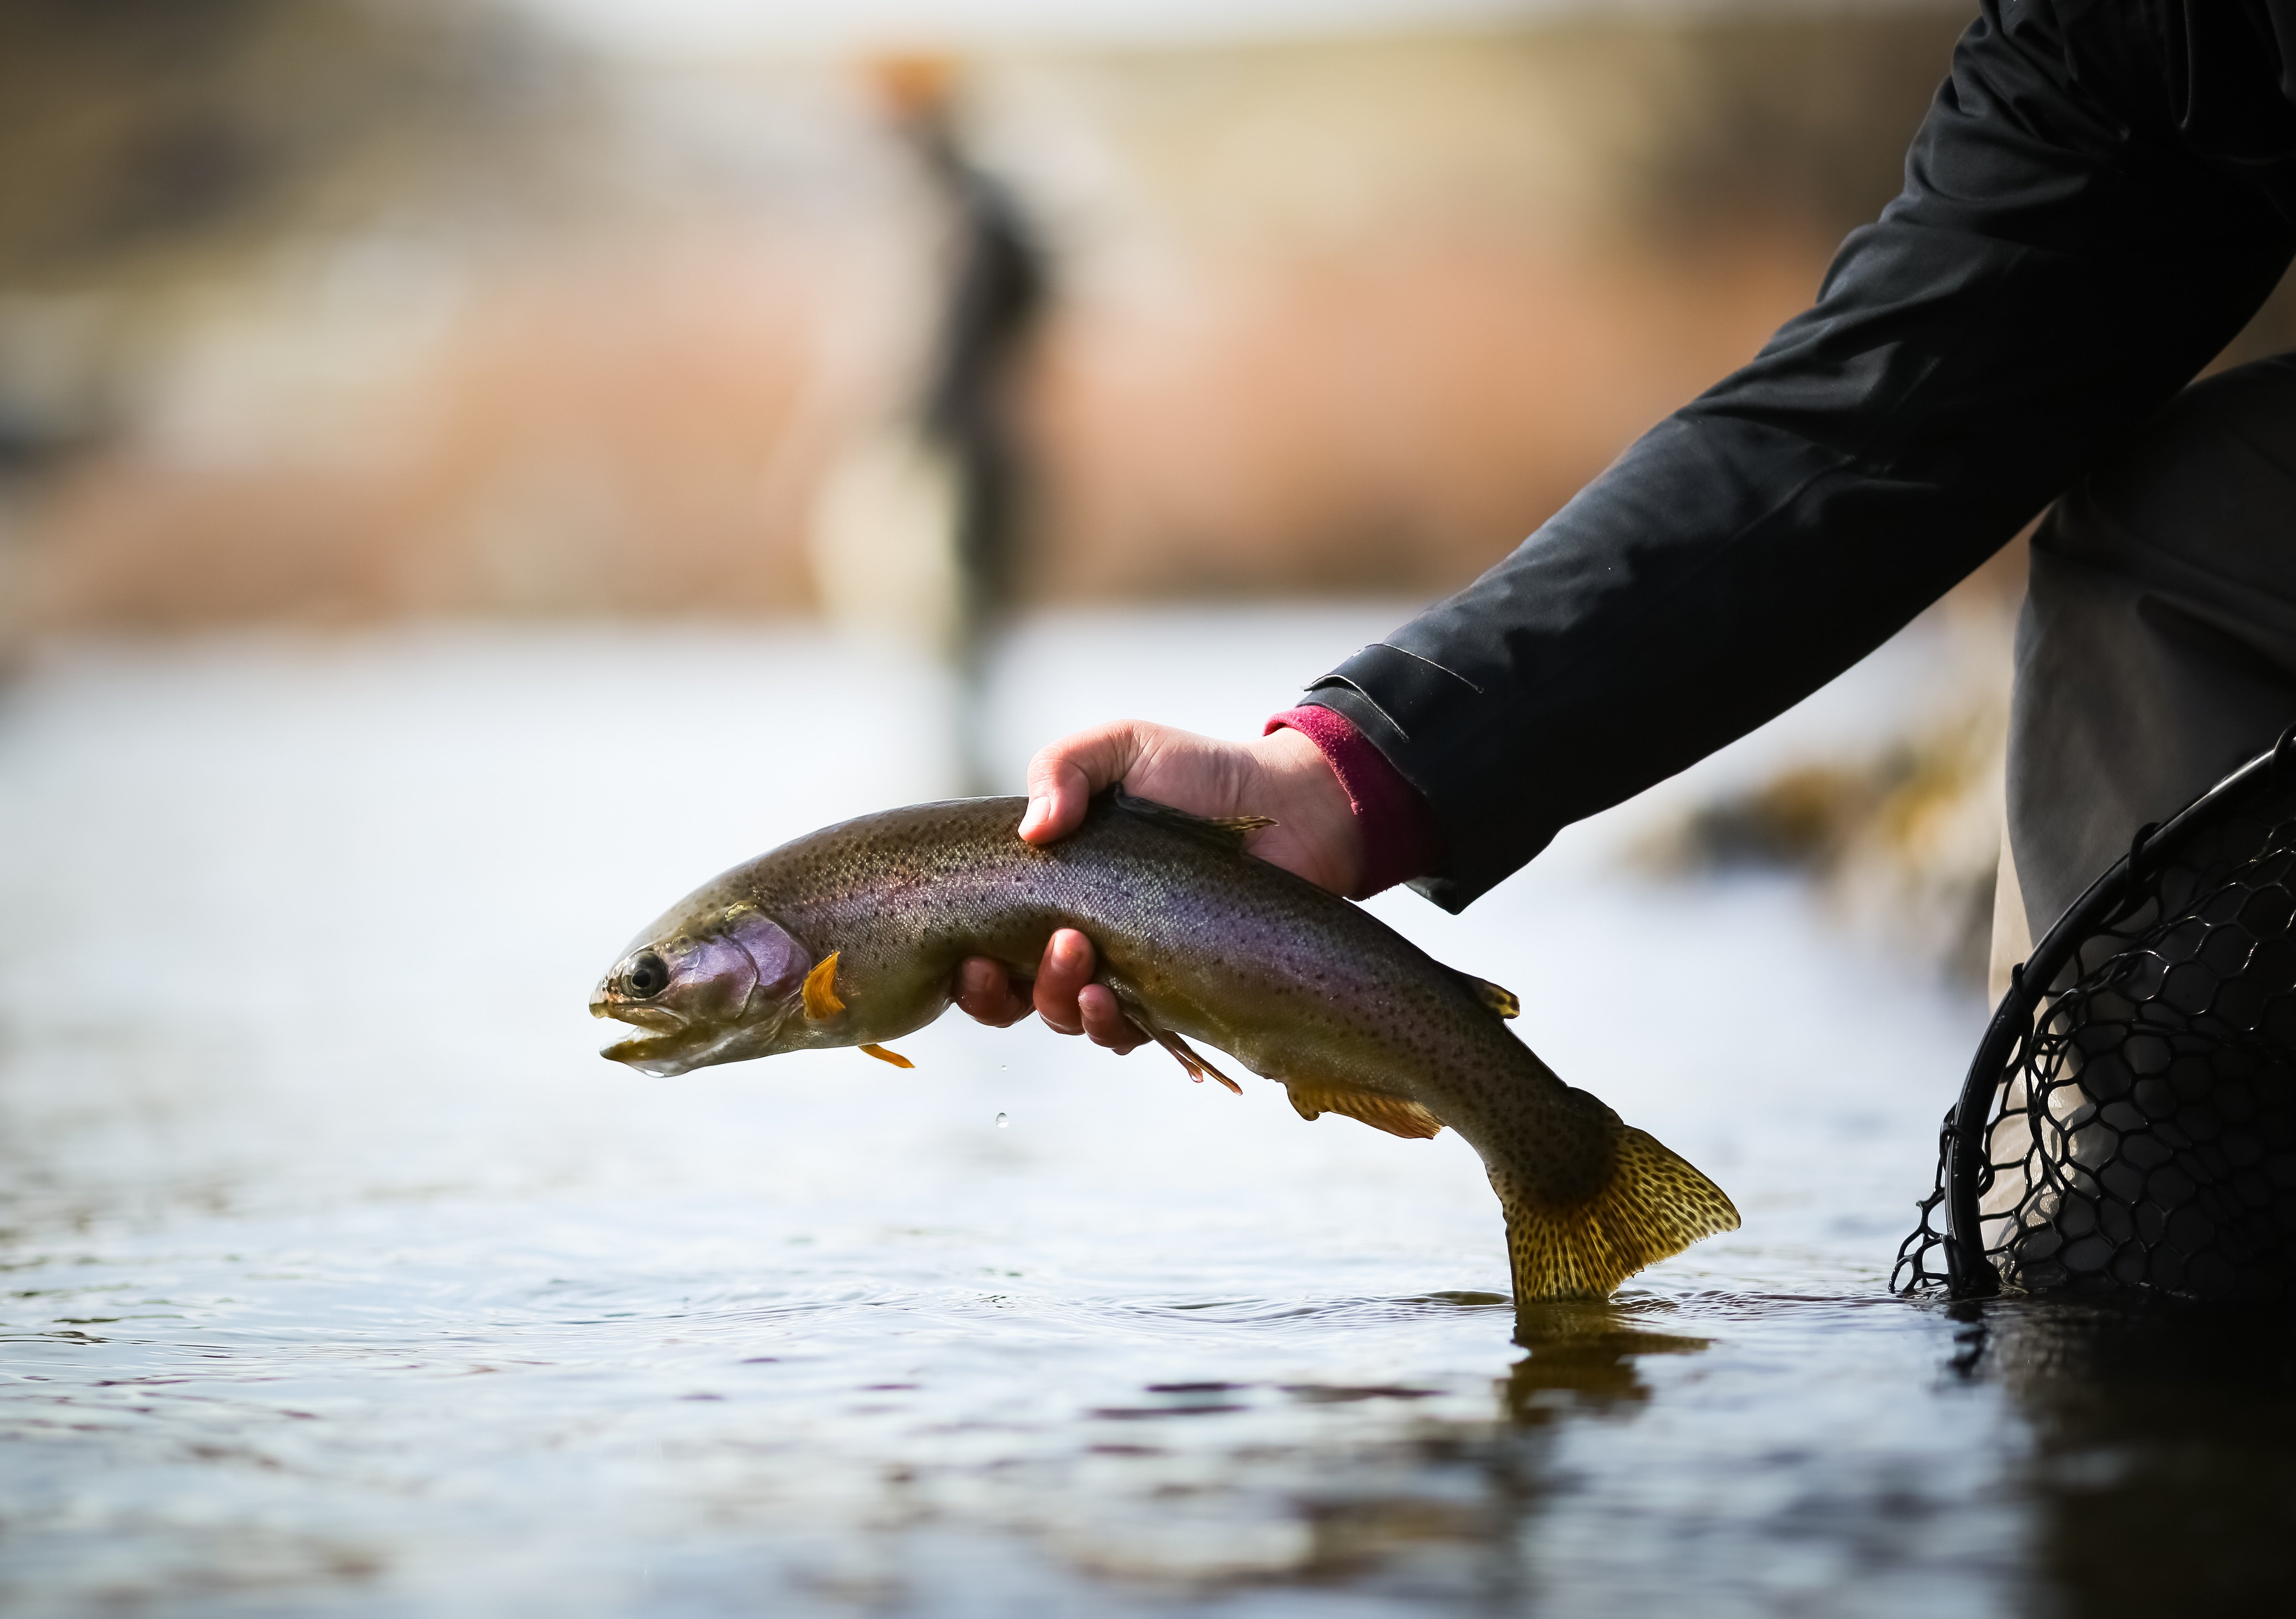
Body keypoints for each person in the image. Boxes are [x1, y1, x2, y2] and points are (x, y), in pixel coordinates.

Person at [955, 0, 2296, 1051]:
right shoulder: (2119, 34)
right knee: (2173, 526)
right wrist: (1340, 782)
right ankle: (2110, 1366)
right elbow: (1865, 425)